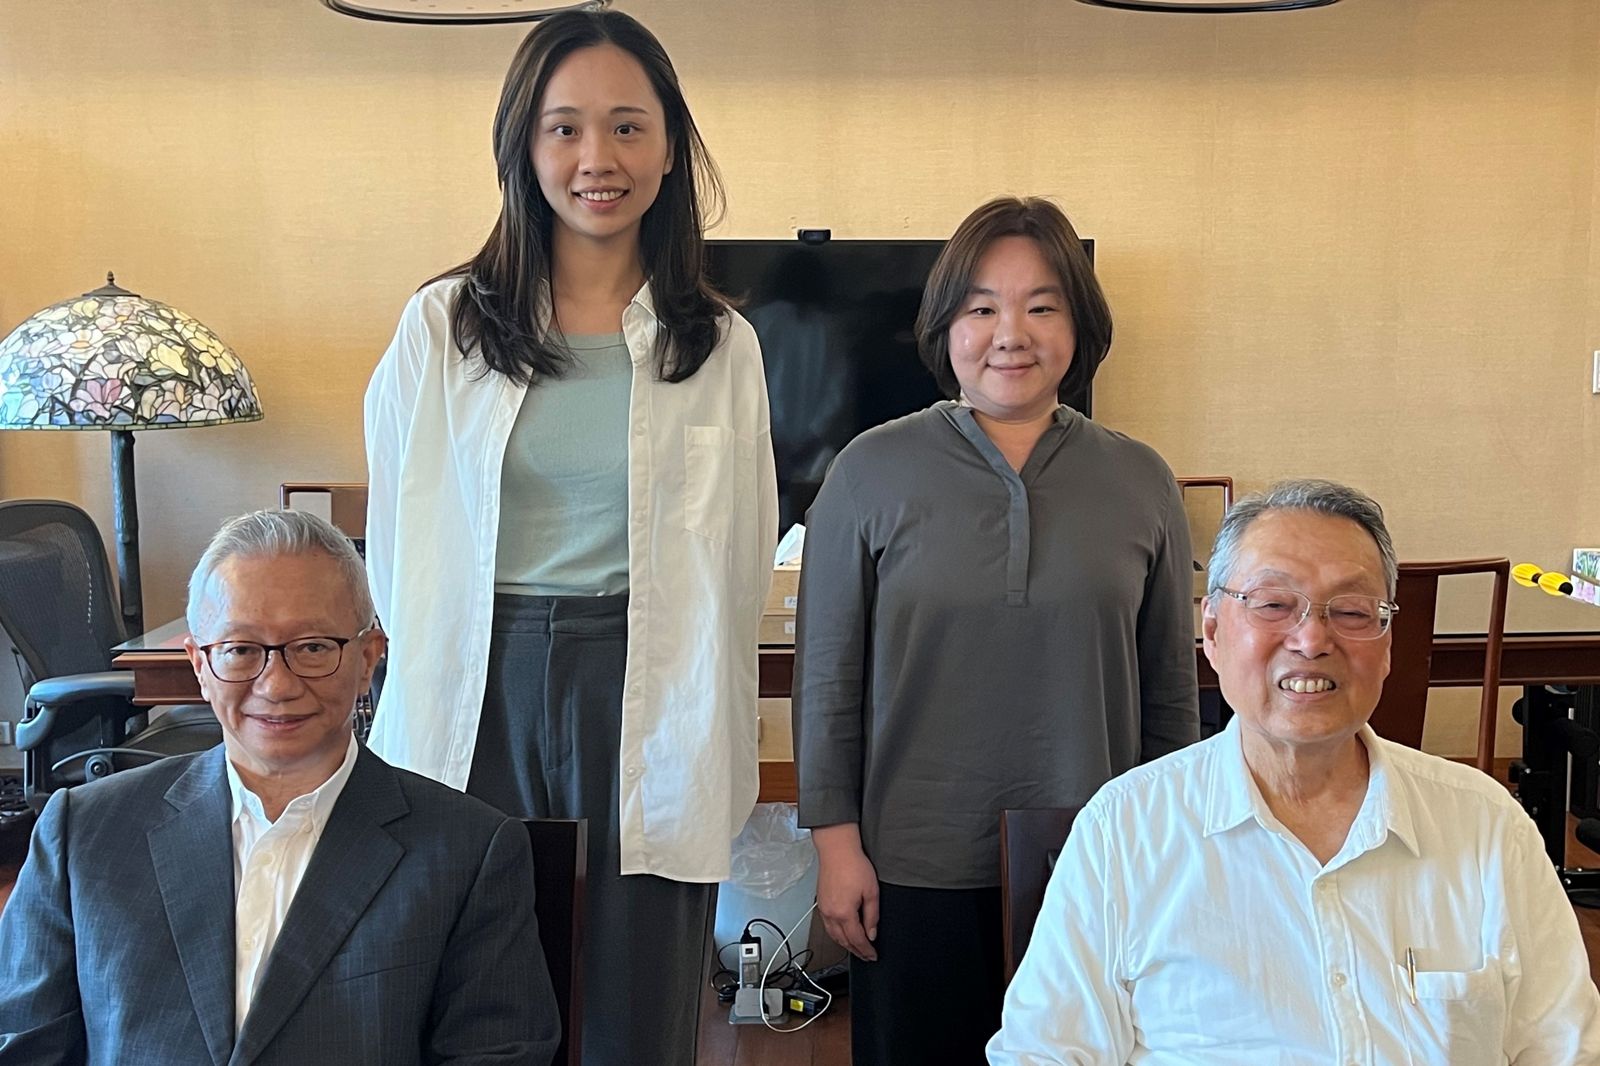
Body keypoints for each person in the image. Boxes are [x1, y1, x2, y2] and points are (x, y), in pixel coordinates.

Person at [362, 11, 776, 1065]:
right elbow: (396, 541)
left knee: (636, 996)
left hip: (648, 673)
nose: (599, 158)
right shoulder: (443, 326)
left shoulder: (719, 345)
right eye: (566, 128)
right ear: (524, 145)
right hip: (478, 677)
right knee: (470, 984)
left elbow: (741, 557)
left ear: (670, 148)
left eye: (628, 127)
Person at [988, 479, 1600, 1065]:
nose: (1310, 640)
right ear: (1212, 631)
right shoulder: (1124, 830)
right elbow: (1044, 1052)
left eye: (1352, 611)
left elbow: (1566, 1048)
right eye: (1274, 605)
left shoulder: (1486, 825)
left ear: (1387, 642)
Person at [794, 196, 1200, 1066]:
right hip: (911, 863)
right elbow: (827, 677)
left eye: (1041, 306)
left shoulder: (1141, 481)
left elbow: (1169, 690)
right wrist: (836, 847)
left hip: (1096, 861)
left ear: (1079, 327)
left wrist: (1173, 850)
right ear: (945, 327)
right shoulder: (869, 471)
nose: (1010, 333)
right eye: (981, 308)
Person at [0, 509, 558, 1065]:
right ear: (199, 664)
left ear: (367, 659)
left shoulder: (469, 853)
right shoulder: (83, 834)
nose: (276, 685)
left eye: (313, 647)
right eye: (241, 650)